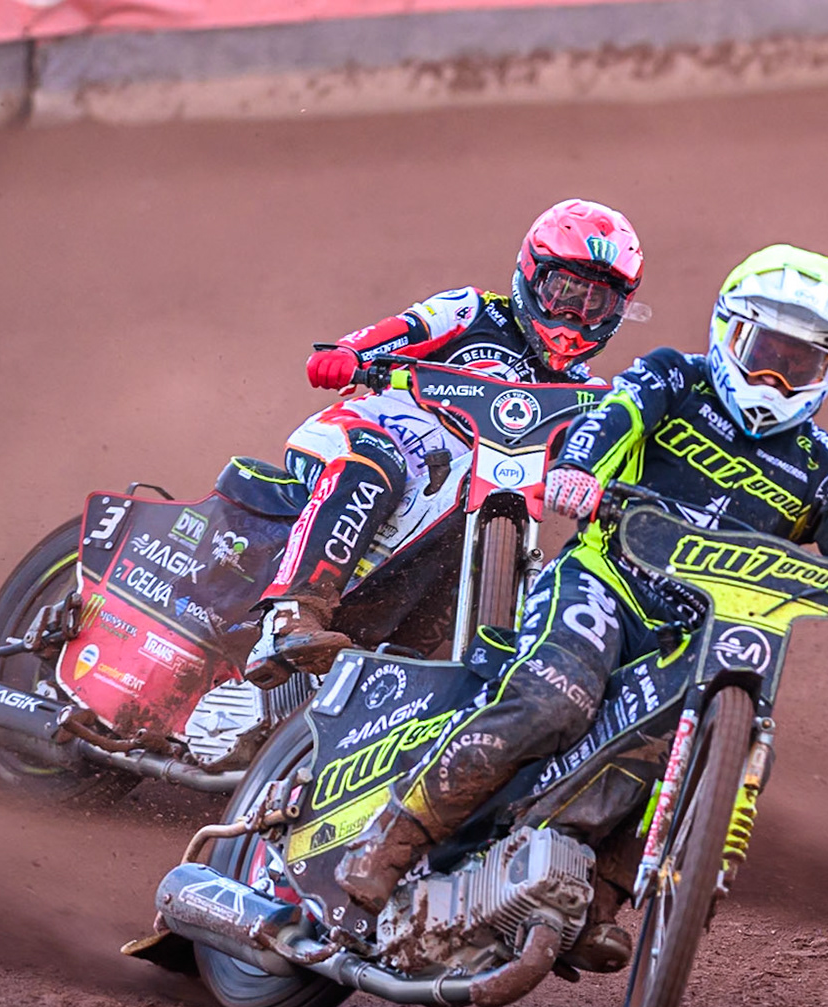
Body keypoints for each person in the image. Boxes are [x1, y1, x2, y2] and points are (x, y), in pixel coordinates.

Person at [333, 243, 828, 971]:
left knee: (684, 740)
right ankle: (392, 840)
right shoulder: (675, 378)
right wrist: (579, 470)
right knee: (555, 696)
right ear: (729, 332)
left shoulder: (822, 467)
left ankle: (599, 899)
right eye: (765, 353)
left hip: (696, 635)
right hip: (604, 583)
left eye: (799, 364)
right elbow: (612, 418)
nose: (774, 378)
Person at [237, 198, 646, 687]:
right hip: (365, 434)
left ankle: (391, 678)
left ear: (616, 311)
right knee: (372, 466)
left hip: (458, 491)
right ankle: (288, 615)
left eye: (594, 303)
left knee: (470, 538)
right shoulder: (473, 310)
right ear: (531, 275)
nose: (573, 313)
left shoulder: (586, 393)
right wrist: (348, 354)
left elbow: (606, 455)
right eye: (563, 291)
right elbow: (403, 330)